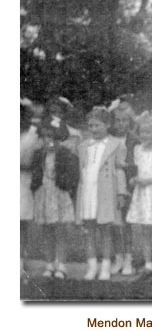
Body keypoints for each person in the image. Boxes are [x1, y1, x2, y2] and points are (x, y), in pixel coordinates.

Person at [76, 107, 127, 281]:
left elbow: (120, 171)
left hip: (105, 192)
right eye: (91, 125)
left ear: (107, 124)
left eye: (97, 125)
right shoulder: (84, 145)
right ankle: (92, 266)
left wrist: (121, 193)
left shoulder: (116, 144)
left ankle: (105, 266)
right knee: (89, 230)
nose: (93, 129)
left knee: (106, 230)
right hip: (88, 192)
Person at [31, 117, 79, 279]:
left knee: (60, 230)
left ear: (60, 138)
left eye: (53, 137)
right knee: (46, 231)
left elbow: (72, 176)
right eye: (45, 137)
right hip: (44, 194)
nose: (49, 141)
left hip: (59, 194)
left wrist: (64, 185)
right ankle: (49, 263)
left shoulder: (66, 154)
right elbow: (36, 174)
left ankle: (62, 264)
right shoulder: (39, 155)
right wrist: (36, 187)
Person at [126, 113, 152, 276]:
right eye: (141, 132)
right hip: (141, 193)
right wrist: (134, 180)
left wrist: (147, 181)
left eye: (148, 132)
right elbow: (137, 170)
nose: (144, 136)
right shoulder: (137, 150)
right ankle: (148, 261)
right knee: (144, 230)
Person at [109, 101, 140, 276]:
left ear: (130, 122)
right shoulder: (109, 138)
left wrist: (124, 167)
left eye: (125, 121)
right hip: (110, 184)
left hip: (127, 185)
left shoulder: (134, 140)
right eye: (117, 120)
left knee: (126, 223)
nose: (121, 124)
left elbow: (137, 164)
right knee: (113, 222)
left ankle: (129, 257)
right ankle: (118, 256)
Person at [20, 103, 42, 275]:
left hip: (22, 181)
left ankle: (19, 261)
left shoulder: (31, 136)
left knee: (20, 222)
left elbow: (26, 161)